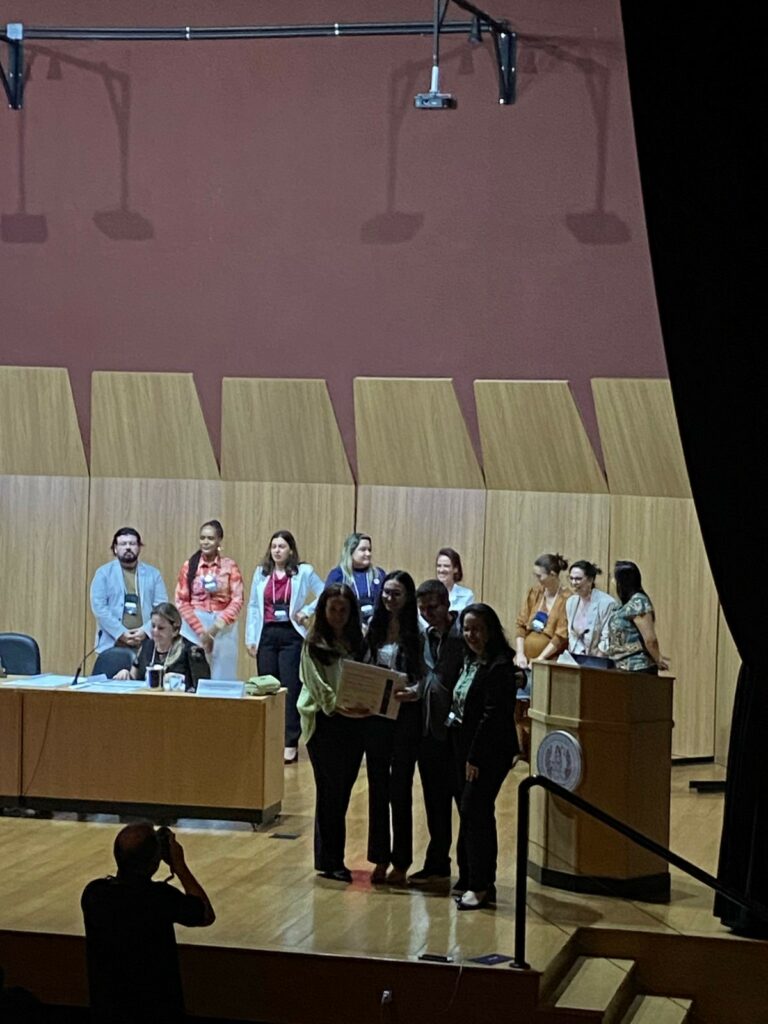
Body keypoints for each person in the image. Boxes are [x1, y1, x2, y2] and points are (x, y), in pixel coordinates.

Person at [81, 823, 215, 1024]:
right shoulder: (159, 898)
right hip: (157, 1012)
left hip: (108, 1011)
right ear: (155, 861)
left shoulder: (94, 893)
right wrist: (179, 866)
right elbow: (205, 914)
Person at [449, 603, 519, 910]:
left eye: (477, 629)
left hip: (488, 751)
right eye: (466, 629)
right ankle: (473, 878)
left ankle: (479, 885)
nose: (471, 635)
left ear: (490, 631)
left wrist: (474, 757)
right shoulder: (469, 660)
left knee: (475, 810)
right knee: (472, 812)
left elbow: (492, 717)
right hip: (463, 744)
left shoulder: (499, 666)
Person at [298, 583, 366, 882]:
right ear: (323, 610)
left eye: (343, 610)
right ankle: (330, 860)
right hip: (324, 722)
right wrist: (339, 705)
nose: (338, 615)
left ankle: (331, 857)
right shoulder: (313, 643)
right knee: (330, 792)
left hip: (354, 722)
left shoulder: (358, 643)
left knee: (343, 792)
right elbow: (317, 686)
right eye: (332, 609)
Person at [363, 570, 424, 886]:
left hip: (406, 716)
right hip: (376, 716)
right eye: (386, 592)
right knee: (377, 787)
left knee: (400, 788)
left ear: (408, 597)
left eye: (396, 593)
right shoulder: (373, 627)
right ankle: (380, 858)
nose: (389, 598)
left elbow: (427, 674)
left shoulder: (419, 632)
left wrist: (416, 690)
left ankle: (401, 861)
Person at [245, 530, 324, 764]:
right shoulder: (261, 573)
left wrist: (306, 611)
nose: (277, 551)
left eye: (281, 546)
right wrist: (251, 638)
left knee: (290, 689)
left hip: (291, 635)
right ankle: (270, 740)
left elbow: (324, 592)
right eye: (274, 547)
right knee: (267, 687)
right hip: (267, 634)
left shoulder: (303, 571)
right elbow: (253, 606)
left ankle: (290, 742)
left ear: (290, 550)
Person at [408, 579, 466, 889]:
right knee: (435, 803)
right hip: (429, 732)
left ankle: (472, 873)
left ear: (447, 604)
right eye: (422, 609)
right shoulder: (423, 637)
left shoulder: (464, 635)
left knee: (466, 807)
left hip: (459, 736)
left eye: (433, 607)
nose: (428, 614)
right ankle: (437, 865)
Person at [513, 553, 570, 760]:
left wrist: (541, 659)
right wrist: (520, 653)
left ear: (553, 575)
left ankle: (538, 749)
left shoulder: (566, 599)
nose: (537, 579)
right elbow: (521, 625)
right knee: (517, 704)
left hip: (548, 660)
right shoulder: (534, 593)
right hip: (525, 659)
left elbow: (561, 635)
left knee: (538, 706)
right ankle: (520, 748)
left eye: (540, 576)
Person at [174, 520, 244, 679]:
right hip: (194, 627)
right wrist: (201, 632)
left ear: (219, 540)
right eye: (202, 538)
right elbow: (181, 600)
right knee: (196, 675)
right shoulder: (189, 566)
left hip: (223, 627)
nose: (205, 542)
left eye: (210, 538)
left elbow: (237, 599)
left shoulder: (229, 566)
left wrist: (215, 628)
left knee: (222, 676)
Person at [90, 527, 168, 653]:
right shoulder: (103, 573)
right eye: (123, 544)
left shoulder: (154, 574)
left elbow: (162, 608)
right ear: (115, 548)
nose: (128, 547)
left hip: (146, 642)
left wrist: (145, 631)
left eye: (132, 543)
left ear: (139, 548)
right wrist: (121, 633)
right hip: (112, 642)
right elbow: (99, 609)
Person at [114, 602, 209, 692]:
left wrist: (178, 681)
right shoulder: (146, 646)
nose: (155, 631)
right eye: (153, 626)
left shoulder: (193, 651)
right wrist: (125, 674)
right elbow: (134, 679)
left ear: (175, 630)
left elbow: (202, 689)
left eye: (161, 628)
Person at [607, 560, 669, 673]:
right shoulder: (622, 604)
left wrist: (658, 659)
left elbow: (650, 639)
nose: (612, 581)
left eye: (614, 578)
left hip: (638, 666)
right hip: (620, 666)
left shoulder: (638, 602)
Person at [324, 532, 385, 628]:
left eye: (369, 550)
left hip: (376, 625)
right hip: (347, 625)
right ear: (350, 551)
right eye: (363, 550)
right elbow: (328, 604)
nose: (368, 554)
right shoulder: (338, 575)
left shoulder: (379, 574)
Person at [565, 560, 617, 657]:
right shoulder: (571, 602)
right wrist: (580, 655)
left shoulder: (607, 603)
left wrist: (593, 660)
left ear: (590, 580)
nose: (573, 582)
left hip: (600, 659)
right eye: (571, 578)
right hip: (577, 657)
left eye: (578, 579)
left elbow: (608, 638)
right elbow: (572, 635)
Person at [435, 547, 475, 613]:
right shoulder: (428, 594)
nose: (441, 570)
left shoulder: (467, 595)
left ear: (456, 569)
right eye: (439, 566)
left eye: (446, 566)